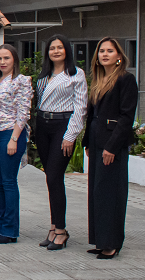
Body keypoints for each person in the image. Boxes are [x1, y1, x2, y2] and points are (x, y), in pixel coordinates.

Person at [83, 37, 138, 259]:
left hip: (111, 144)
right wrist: (87, 142)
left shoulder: (126, 79)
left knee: (111, 193)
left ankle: (111, 243)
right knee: (96, 192)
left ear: (118, 56)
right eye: (101, 51)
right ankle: (100, 240)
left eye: (109, 51)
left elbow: (126, 117)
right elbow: (92, 115)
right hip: (96, 142)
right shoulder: (98, 80)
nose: (104, 54)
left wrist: (112, 147)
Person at [35, 34, 87, 250]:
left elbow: (80, 107)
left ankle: (62, 230)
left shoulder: (76, 74)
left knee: (56, 177)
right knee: (49, 178)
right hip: (43, 125)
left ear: (67, 50)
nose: (56, 51)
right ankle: (54, 225)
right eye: (52, 48)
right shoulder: (44, 75)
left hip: (62, 126)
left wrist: (70, 135)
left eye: (60, 47)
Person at [0, 44, 32, 244]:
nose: (2, 62)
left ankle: (10, 230)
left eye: (6, 58)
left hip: (11, 134)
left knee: (8, 182)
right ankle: (2, 225)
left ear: (14, 60)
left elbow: (24, 112)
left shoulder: (21, 81)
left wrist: (14, 138)